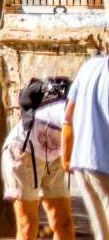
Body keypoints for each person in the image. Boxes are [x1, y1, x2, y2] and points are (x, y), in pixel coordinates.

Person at [5, 76, 75, 240]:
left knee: (64, 223)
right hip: (23, 152)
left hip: (54, 153)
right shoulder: (85, 104)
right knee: (28, 227)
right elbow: (68, 127)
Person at [68, 53, 109, 238]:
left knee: (102, 233)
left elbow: (68, 114)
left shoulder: (89, 67)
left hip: (81, 160)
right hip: (104, 163)